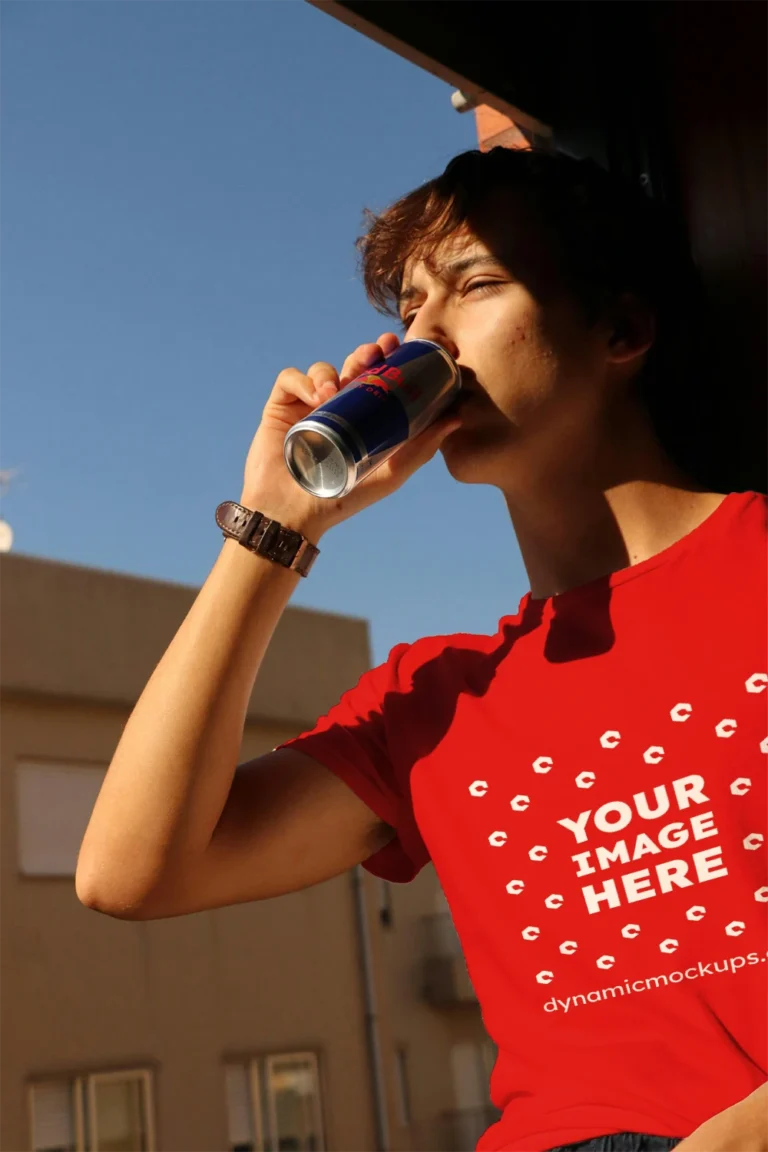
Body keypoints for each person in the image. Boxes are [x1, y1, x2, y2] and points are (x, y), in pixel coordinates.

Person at [76, 148, 768, 1152]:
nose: (423, 338)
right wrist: (280, 525)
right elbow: (130, 873)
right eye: (409, 306)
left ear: (621, 328)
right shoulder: (436, 698)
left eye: (476, 285)